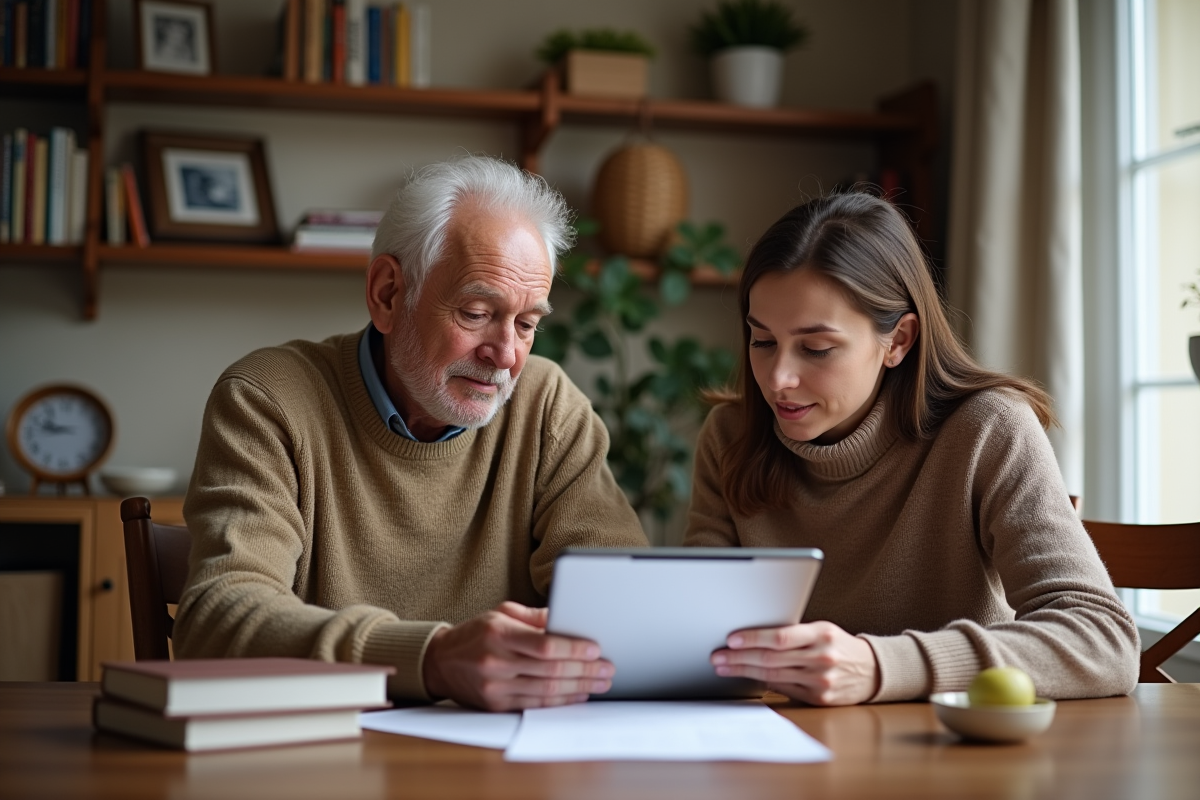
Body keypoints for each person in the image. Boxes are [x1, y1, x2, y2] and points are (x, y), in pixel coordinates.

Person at [175, 156, 649, 711]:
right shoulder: (269, 399)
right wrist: (431, 658)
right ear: (387, 294)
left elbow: (627, 608)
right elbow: (216, 619)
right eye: (476, 313)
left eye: (527, 324)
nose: (506, 356)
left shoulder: (547, 408)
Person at [685, 193, 1139, 706]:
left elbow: (1104, 641)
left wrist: (881, 666)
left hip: (947, 757)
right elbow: (697, 629)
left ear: (898, 340)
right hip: (787, 750)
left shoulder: (988, 429)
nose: (778, 379)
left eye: (816, 348)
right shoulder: (731, 435)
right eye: (762, 341)